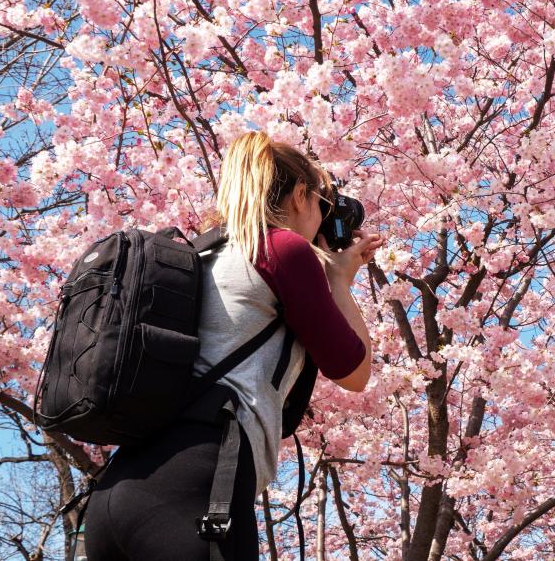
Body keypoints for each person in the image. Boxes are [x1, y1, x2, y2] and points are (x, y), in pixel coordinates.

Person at [83, 130, 383, 560]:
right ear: (300, 195)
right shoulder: (283, 249)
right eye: (320, 202)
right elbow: (355, 372)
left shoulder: (201, 256)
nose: (322, 216)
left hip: (117, 490)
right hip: (197, 486)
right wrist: (338, 278)